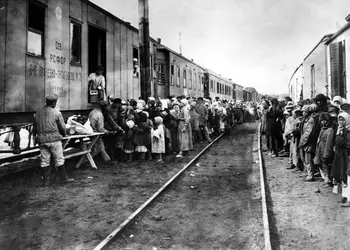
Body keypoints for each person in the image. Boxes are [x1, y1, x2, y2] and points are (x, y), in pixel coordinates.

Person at [33, 95, 74, 185]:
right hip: (54, 140)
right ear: (53, 103)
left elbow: (34, 128)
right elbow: (62, 127)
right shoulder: (56, 113)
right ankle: (63, 179)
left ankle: (46, 181)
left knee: (44, 160)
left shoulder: (37, 113)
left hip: (42, 140)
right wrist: (64, 134)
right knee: (59, 159)